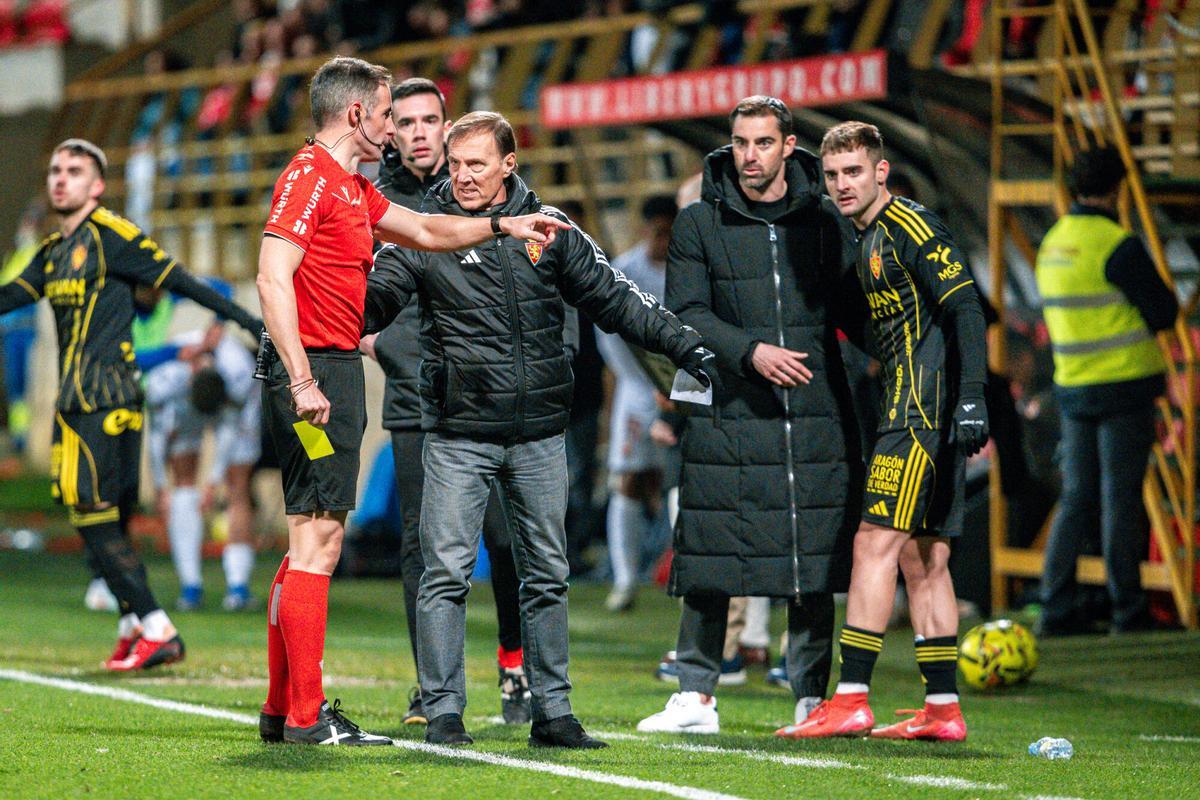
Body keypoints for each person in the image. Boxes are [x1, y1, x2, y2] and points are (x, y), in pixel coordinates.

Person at [364, 110, 714, 749]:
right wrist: (315, 320)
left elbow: (617, 300)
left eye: (476, 164)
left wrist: (685, 344)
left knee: (548, 573)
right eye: (456, 162)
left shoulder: (552, 232)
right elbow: (374, 299)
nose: (462, 175)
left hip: (538, 433)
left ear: (508, 166)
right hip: (458, 431)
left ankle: (553, 713)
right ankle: (443, 713)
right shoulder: (425, 232)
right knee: (445, 573)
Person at [254, 56, 567, 748]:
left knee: (307, 536)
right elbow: (271, 276)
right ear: (359, 115)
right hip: (316, 376)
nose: (397, 128)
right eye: (391, 113)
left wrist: (501, 227)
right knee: (320, 542)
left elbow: (427, 231)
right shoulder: (309, 178)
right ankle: (307, 718)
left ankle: (283, 709)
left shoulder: (351, 188)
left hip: (327, 371)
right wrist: (303, 378)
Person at [637, 96, 863, 736]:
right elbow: (687, 312)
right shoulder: (697, 224)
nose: (750, 156)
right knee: (710, 545)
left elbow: (854, 309)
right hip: (731, 405)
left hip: (815, 410)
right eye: (740, 143)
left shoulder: (824, 221)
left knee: (811, 557)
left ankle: (810, 697)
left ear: (789, 146)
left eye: (763, 143)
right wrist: (750, 352)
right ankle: (696, 697)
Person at [0, 138, 262, 671]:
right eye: (55, 169)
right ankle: (130, 625)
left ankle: (157, 626)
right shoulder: (52, 251)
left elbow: (181, 280)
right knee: (109, 521)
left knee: (92, 517)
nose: (60, 178)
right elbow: (9, 298)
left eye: (74, 170)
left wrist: (252, 323)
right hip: (91, 401)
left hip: (101, 400)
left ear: (96, 185)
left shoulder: (114, 235)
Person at [782, 121, 989, 741]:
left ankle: (850, 699)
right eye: (833, 175)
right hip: (924, 410)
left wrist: (973, 397)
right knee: (927, 559)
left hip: (920, 413)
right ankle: (944, 710)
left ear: (880, 172)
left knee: (874, 545)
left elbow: (967, 307)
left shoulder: (911, 228)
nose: (843, 185)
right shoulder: (868, 237)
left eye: (854, 172)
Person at [358, 76, 532, 726]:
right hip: (414, 395)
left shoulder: (479, 192)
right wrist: (378, 341)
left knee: (504, 537)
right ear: (391, 132)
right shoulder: (373, 200)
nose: (421, 132)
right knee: (421, 547)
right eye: (406, 123)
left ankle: (513, 663)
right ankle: (433, 686)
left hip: (485, 394)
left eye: (432, 119)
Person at [1035, 147, 1177, 636]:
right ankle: (1128, 612)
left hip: (1073, 389)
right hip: (1124, 387)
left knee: (1076, 499)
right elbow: (1164, 313)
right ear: (1117, 189)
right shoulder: (1118, 244)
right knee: (1120, 502)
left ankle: (1054, 609)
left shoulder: (1052, 243)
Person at [596, 194, 677, 613]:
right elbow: (609, 337)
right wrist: (643, 383)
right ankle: (624, 580)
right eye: (658, 231)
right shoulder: (626, 271)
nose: (663, 239)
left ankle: (676, 574)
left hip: (681, 391)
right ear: (646, 229)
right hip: (636, 391)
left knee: (675, 483)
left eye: (669, 231)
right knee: (627, 480)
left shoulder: (687, 271)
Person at [145, 321, 261, 612]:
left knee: (237, 484)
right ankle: (191, 586)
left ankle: (238, 586)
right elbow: (157, 438)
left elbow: (228, 433)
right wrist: (161, 487)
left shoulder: (239, 375)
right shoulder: (167, 377)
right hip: (185, 405)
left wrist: (212, 482)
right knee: (182, 481)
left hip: (237, 410)